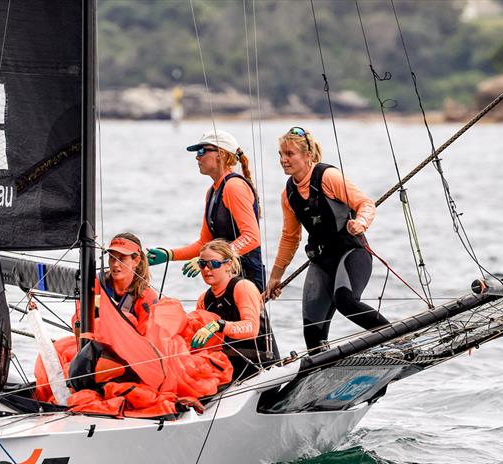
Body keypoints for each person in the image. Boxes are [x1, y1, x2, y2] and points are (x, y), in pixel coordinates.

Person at [263, 126, 389, 353]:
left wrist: (360, 223)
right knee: (311, 331)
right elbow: (290, 237)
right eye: (280, 154)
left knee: (346, 302)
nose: (283, 160)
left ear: (308, 155)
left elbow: (365, 204)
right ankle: (324, 373)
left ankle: (398, 340)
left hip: (352, 253)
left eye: (289, 154)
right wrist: (275, 277)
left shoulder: (328, 177)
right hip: (322, 261)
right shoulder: (288, 193)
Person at [147, 130, 266, 292]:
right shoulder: (212, 192)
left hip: (246, 281)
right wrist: (169, 254)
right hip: (224, 279)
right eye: (197, 152)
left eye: (202, 151)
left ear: (221, 154)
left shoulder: (234, 187)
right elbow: (204, 243)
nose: (197, 156)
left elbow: (252, 237)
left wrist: (214, 258)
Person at [190, 239, 277, 378]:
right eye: (202, 264)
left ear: (228, 265)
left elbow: (252, 328)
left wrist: (219, 326)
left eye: (214, 264)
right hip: (225, 367)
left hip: (259, 365)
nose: (207, 269)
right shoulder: (203, 300)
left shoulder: (243, 287)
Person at [73, 232, 158, 337]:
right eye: (112, 257)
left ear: (136, 261)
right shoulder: (96, 283)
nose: (115, 264)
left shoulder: (147, 296)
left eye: (121, 259)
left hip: (129, 350)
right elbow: (77, 327)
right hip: (93, 345)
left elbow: (146, 342)